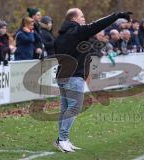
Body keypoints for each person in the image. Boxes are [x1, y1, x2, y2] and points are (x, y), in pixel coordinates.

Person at [54, 8, 132, 152]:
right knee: (74, 108)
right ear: (74, 19)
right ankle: (62, 139)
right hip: (73, 76)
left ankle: (63, 138)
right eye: (82, 16)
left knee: (66, 109)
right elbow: (97, 25)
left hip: (62, 75)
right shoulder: (77, 32)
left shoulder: (60, 36)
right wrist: (116, 16)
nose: (84, 19)